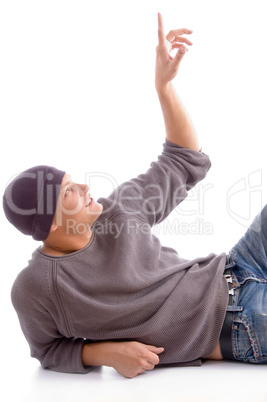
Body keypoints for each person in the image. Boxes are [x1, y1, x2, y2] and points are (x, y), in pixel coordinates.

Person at [3, 13, 267, 379]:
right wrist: (105, 353)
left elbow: (182, 159)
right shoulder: (37, 288)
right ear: (49, 221)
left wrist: (164, 87)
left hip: (236, 267)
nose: (84, 187)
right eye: (69, 193)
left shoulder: (118, 210)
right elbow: (46, 350)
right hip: (237, 325)